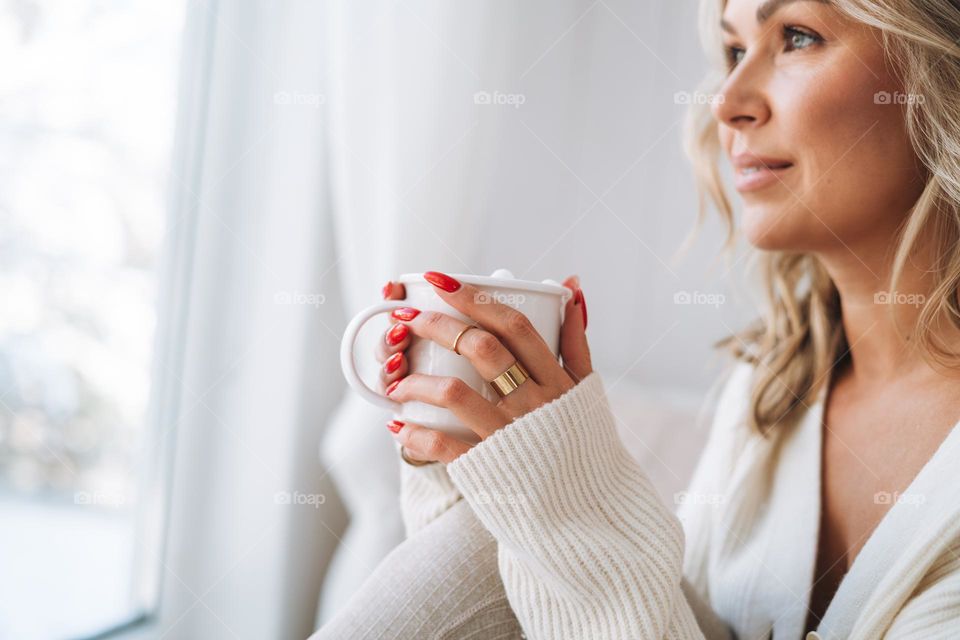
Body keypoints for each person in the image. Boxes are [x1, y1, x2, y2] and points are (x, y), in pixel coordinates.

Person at [313, 0, 960, 637]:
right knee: (493, 533)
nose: (727, 101)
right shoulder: (768, 394)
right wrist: (493, 469)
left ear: (941, 70)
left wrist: (569, 509)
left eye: (796, 36)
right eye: (734, 51)